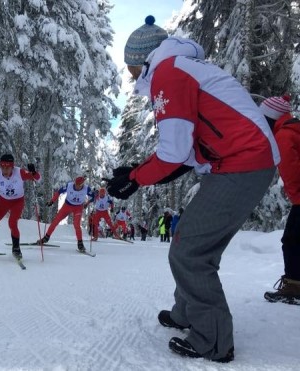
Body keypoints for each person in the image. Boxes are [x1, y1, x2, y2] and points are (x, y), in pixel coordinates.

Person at [105, 16, 279, 362]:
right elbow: (184, 154)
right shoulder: (179, 67)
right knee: (190, 237)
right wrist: (137, 174)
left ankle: (213, 340)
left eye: (131, 68)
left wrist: (137, 178)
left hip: (243, 162)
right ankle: (186, 313)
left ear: (144, 60)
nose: (130, 76)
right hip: (239, 162)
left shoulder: (169, 72)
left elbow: (172, 153)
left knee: (189, 252)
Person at [259, 95, 300, 305]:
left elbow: (292, 172)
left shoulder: (284, 135)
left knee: (291, 240)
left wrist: (296, 198)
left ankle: (294, 286)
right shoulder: (293, 129)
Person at [37, 176, 92, 252]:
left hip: (78, 207)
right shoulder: (69, 185)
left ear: (82, 185)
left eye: (79, 186)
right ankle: (46, 238)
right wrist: (52, 201)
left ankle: (80, 244)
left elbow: (94, 196)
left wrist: (88, 202)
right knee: (56, 221)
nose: (77, 187)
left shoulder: (86, 188)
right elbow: (59, 192)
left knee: (76, 224)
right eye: (76, 184)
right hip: (67, 206)